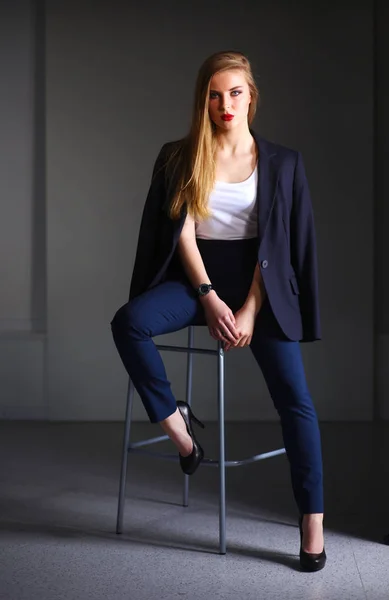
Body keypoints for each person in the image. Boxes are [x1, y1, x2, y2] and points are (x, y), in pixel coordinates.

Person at [110, 50, 326, 572]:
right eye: (214, 93)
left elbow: (280, 246)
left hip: (262, 284)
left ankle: (313, 520)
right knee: (129, 323)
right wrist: (207, 296)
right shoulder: (178, 155)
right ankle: (180, 432)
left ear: (251, 97)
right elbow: (183, 232)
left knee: (296, 401)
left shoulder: (284, 163)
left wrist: (250, 309)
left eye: (235, 92)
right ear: (203, 100)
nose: (225, 103)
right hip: (198, 276)